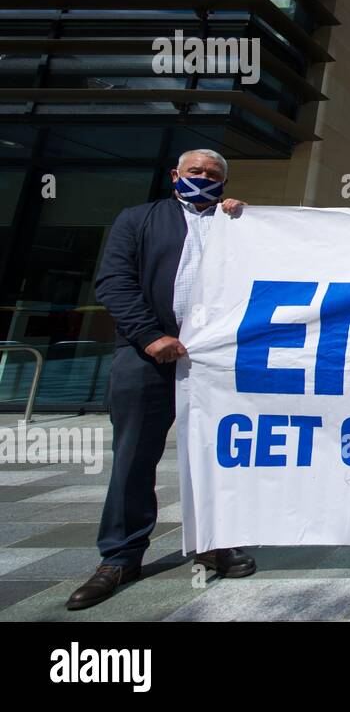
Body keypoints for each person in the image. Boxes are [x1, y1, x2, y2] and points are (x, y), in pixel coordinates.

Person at [66, 149, 257, 610]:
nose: (204, 179)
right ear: (176, 176)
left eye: (213, 175)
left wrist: (252, 219)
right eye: (195, 172)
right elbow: (113, 282)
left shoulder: (237, 224)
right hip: (147, 357)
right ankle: (120, 555)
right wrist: (151, 336)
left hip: (216, 362)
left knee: (218, 456)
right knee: (134, 457)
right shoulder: (139, 219)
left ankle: (214, 543)